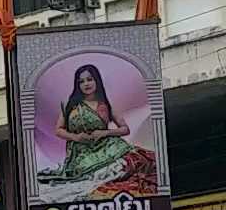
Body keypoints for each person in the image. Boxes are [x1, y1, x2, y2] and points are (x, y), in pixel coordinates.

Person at [39, 63, 157, 195]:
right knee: (92, 177)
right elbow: (58, 130)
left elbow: (125, 129)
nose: (86, 84)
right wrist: (76, 137)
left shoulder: (105, 104)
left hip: (108, 146)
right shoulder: (70, 105)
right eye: (81, 81)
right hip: (82, 152)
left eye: (89, 79)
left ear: (96, 80)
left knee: (134, 162)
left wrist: (104, 133)